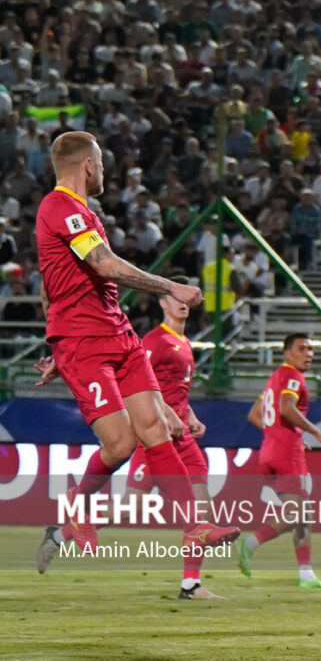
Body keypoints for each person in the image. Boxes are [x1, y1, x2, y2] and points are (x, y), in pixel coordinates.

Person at [33, 132, 239, 575]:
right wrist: (171, 285)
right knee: (122, 442)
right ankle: (76, 506)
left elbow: (60, 280)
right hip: (85, 344)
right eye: (102, 161)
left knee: (157, 428)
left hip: (118, 335)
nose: (105, 170)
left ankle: (195, 525)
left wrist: (55, 342)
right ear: (88, 165)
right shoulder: (59, 207)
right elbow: (104, 266)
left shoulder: (85, 213)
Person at [108, 277, 222, 599]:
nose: (183, 301)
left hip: (183, 438)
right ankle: (65, 531)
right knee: (129, 510)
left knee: (201, 512)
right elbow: (133, 382)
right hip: (156, 437)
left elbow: (175, 391)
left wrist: (189, 416)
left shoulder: (185, 343)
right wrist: (166, 414)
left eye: (187, 295)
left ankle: (191, 585)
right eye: (174, 295)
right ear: (162, 301)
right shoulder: (155, 341)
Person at [238, 333, 321, 589]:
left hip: (269, 452)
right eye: (302, 349)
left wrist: (279, 434)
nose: (309, 354)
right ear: (287, 353)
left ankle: (306, 574)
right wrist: (317, 433)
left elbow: (254, 415)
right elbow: (286, 408)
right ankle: (250, 544)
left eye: (311, 349)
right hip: (286, 454)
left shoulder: (275, 377)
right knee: (300, 512)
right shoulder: (293, 376)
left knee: (303, 513)